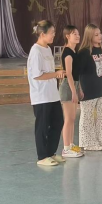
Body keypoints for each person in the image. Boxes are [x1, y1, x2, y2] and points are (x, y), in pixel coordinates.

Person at [27, 20, 66, 166]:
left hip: (52, 94)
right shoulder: (36, 51)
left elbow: (48, 71)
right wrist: (56, 74)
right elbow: (37, 75)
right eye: (51, 33)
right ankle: (42, 156)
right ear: (42, 34)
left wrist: (56, 73)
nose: (54, 35)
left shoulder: (48, 49)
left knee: (58, 122)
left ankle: (51, 152)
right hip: (41, 95)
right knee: (42, 126)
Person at [75, 24, 102, 151]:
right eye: (96, 34)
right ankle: (88, 142)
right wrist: (79, 89)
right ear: (89, 36)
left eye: (100, 33)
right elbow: (77, 73)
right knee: (87, 116)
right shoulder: (84, 52)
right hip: (89, 89)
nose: (99, 36)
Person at [59, 25, 85, 159]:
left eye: (78, 34)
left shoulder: (75, 52)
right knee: (68, 119)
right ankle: (66, 148)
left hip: (74, 85)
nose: (78, 36)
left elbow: (76, 75)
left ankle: (70, 144)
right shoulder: (68, 52)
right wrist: (74, 92)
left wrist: (79, 88)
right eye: (74, 34)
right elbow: (69, 74)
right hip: (68, 87)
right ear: (67, 36)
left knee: (73, 118)